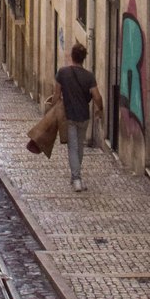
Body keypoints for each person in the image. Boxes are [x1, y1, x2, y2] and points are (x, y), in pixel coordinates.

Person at [54, 43, 104, 192]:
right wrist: (99, 109)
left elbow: (56, 95)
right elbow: (97, 96)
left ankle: (76, 179)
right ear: (84, 58)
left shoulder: (62, 73)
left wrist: (52, 111)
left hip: (69, 116)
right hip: (84, 116)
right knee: (79, 147)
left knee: (73, 148)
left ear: (72, 56)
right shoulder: (89, 76)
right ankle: (75, 176)